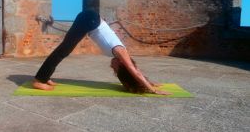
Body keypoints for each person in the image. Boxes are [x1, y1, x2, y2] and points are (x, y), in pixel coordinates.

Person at [33, 10, 171, 95]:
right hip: (89, 20)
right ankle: (40, 80)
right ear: (122, 65)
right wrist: (153, 90)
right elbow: (135, 71)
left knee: (64, 49)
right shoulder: (121, 52)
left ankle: (46, 77)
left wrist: (150, 83)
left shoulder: (122, 55)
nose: (112, 67)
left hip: (91, 20)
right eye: (115, 68)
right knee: (64, 50)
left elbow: (136, 70)